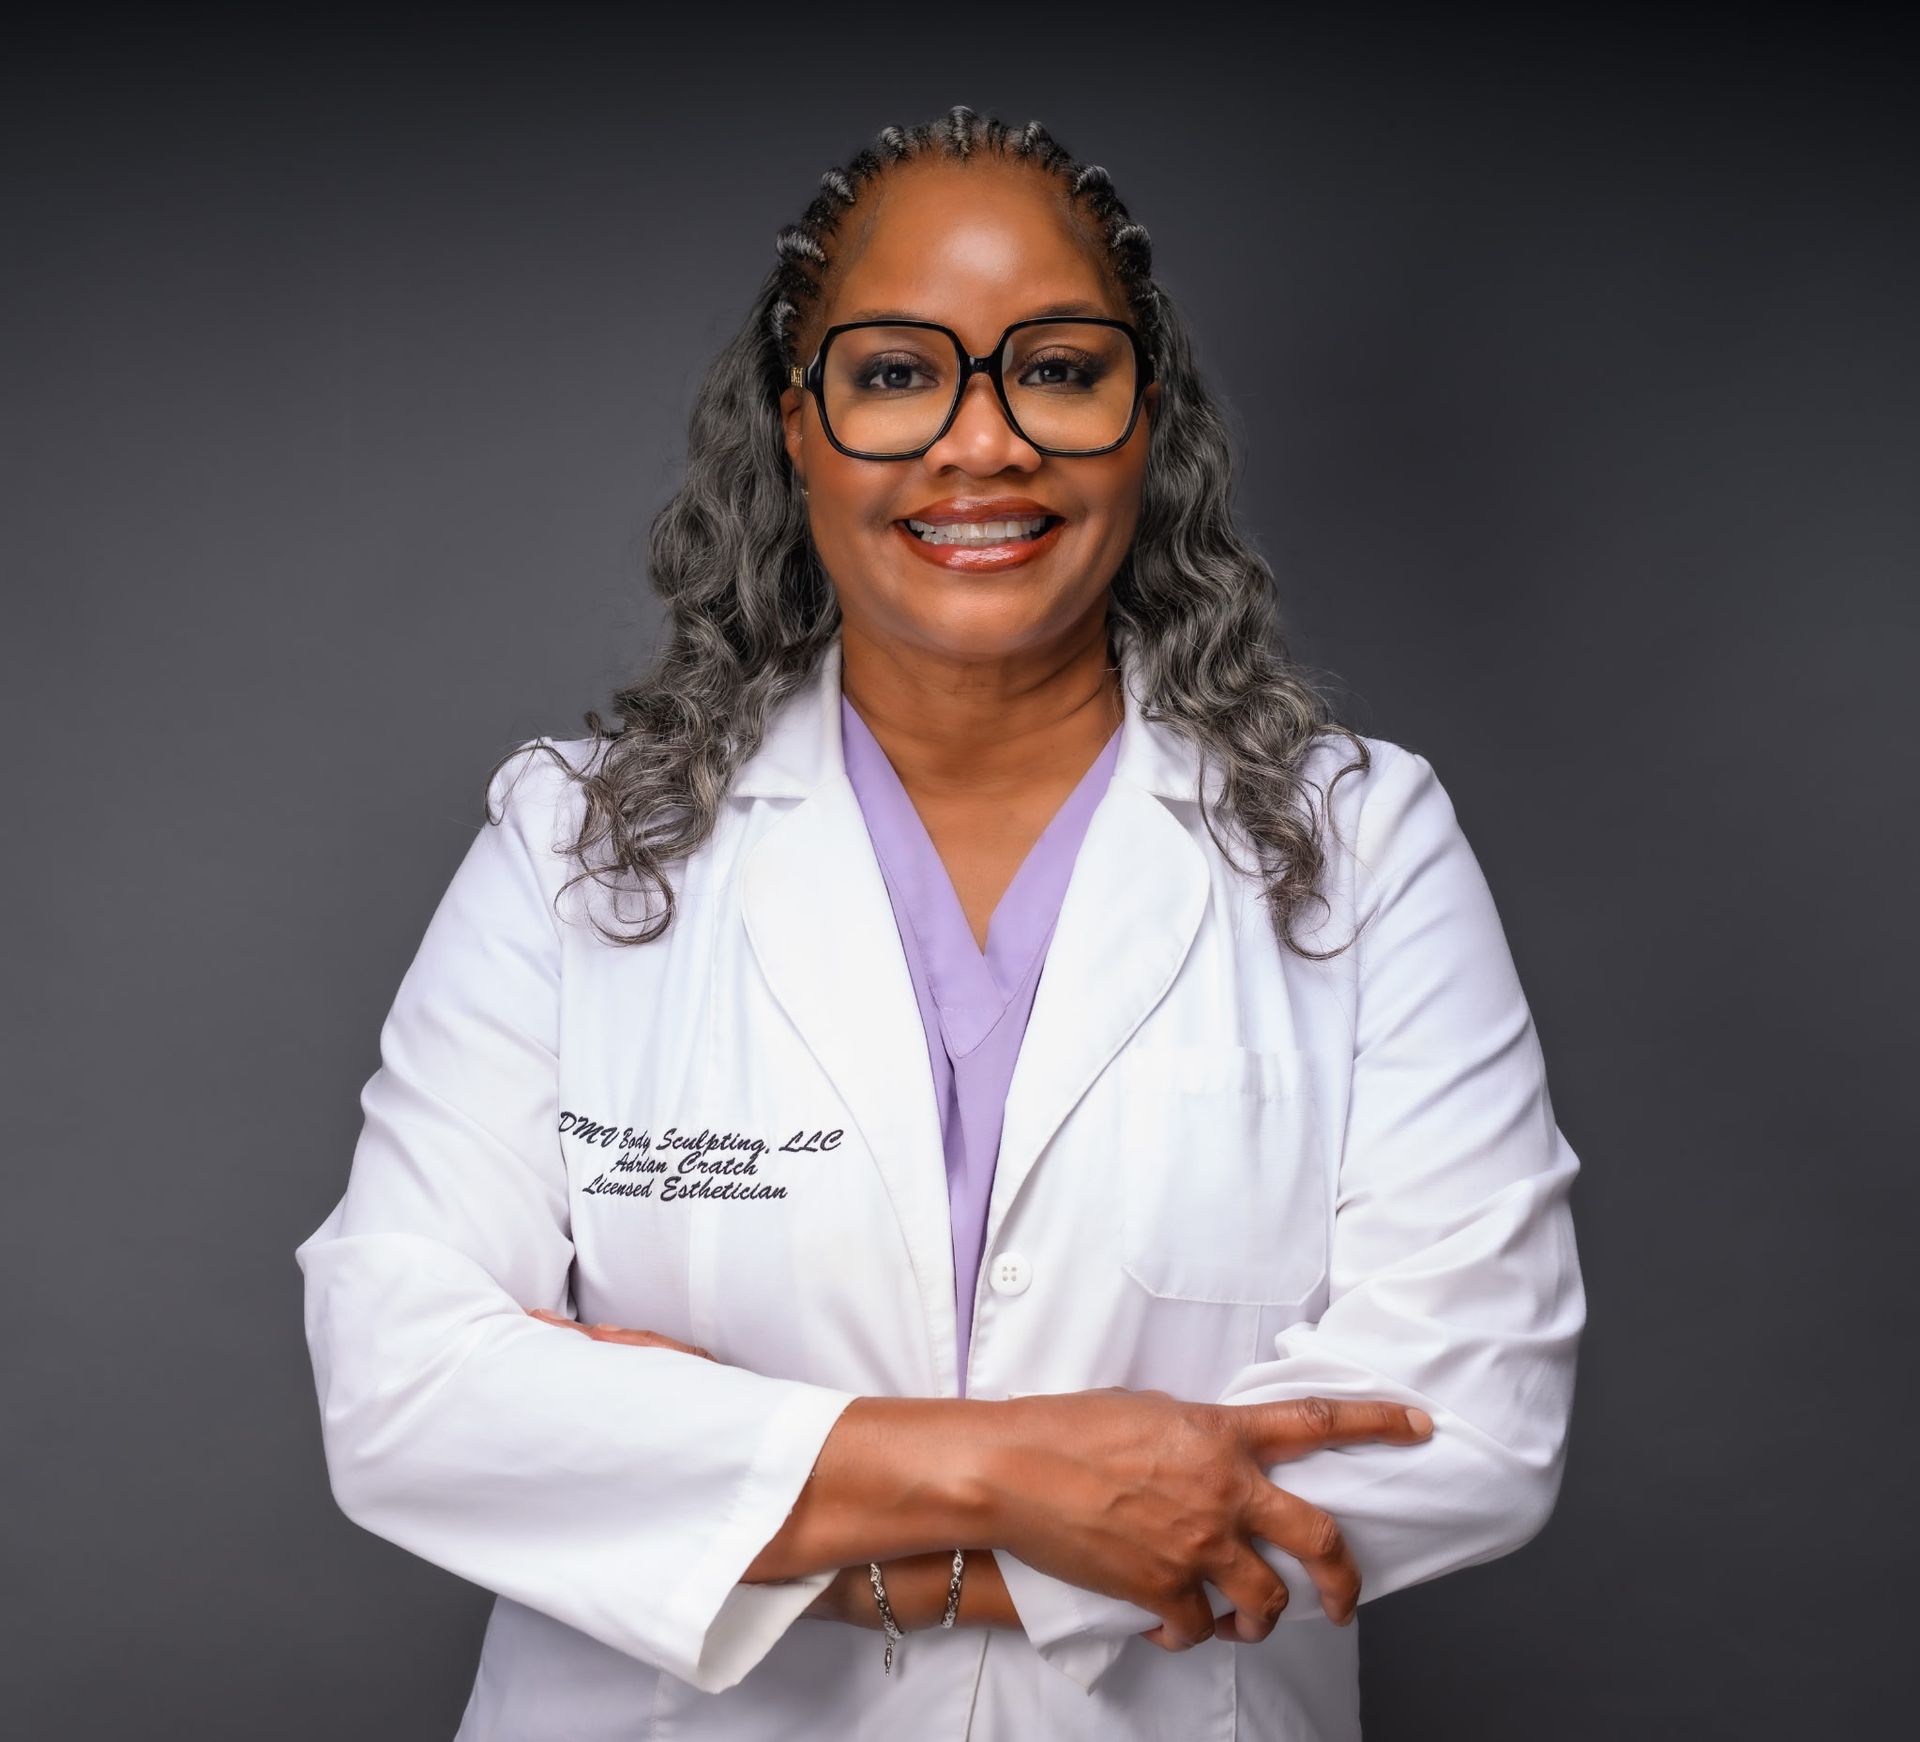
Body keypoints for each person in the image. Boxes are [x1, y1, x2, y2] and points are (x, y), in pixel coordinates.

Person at [294, 105, 1586, 1741]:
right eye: (897, 372)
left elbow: (1466, 1416)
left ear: (1145, 422)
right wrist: (1016, 1480)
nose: (983, 445)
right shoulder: (575, 841)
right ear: (798, 427)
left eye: (1056, 367)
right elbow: (405, 1386)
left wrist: (703, 1464)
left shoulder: (1360, 842)